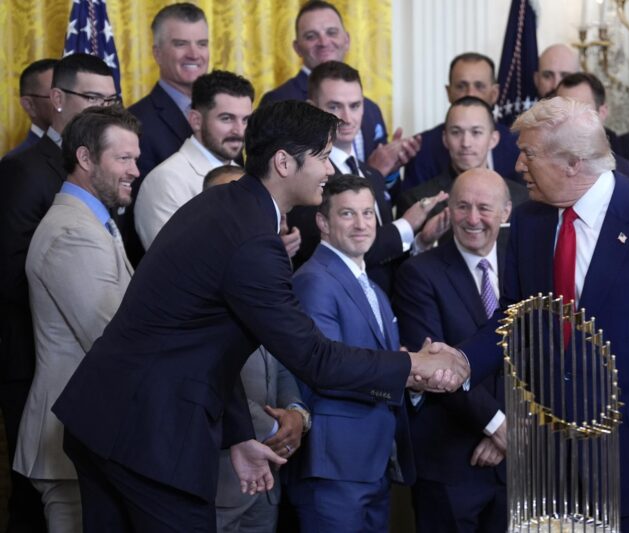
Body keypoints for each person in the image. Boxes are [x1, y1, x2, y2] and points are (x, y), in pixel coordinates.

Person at [51, 100, 468, 532]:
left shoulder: (226, 206)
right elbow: (314, 358)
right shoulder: (253, 238)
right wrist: (413, 365)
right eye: (323, 157)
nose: (329, 170)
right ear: (285, 163)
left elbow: (208, 337)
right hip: (149, 435)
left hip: (105, 419)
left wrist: (238, 435)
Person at [460, 97, 629, 532]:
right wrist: (460, 362)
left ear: (571, 162)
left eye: (528, 154)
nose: (518, 167)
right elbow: (512, 319)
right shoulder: (530, 222)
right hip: (553, 462)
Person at [0, 53, 117, 533]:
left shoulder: (102, 162)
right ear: (57, 100)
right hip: (35, 359)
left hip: (84, 363)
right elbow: (10, 276)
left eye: (111, 99)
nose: (104, 108)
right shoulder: (25, 170)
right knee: (39, 501)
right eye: (93, 98)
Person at [14, 105, 139, 533]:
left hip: (87, 437)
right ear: (85, 158)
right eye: (123, 158)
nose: (135, 170)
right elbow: (111, 340)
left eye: (135, 159)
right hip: (70, 441)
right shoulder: (73, 231)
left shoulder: (93, 221)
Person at [288, 175, 415, 532]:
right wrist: (409, 367)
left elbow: (376, 360)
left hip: (373, 461)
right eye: (347, 214)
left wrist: (415, 370)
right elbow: (326, 369)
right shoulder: (314, 280)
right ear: (323, 223)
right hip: (334, 465)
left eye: (367, 213)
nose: (361, 225)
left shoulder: (372, 285)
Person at [394, 168, 511, 532]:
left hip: (518, 464)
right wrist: (497, 424)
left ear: (506, 212)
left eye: (484, 208)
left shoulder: (526, 267)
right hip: (451, 463)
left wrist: (512, 434)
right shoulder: (419, 274)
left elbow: (541, 355)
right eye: (462, 206)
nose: (472, 219)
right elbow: (435, 368)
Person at [205, 168, 310, 533]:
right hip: (217, 475)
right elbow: (208, 375)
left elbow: (281, 358)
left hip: (266, 476)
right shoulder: (197, 284)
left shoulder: (269, 274)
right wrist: (272, 426)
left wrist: (296, 414)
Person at [301, 60, 447, 292]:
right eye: (334, 107)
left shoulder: (371, 173)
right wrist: (407, 224)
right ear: (311, 108)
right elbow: (343, 250)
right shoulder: (308, 177)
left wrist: (422, 241)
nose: (347, 118)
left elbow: (386, 261)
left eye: (355, 105)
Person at [260, 0, 417, 174]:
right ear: (297, 48)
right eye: (311, 36)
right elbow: (273, 177)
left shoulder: (371, 109)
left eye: (332, 32)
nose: (324, 42)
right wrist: (371, 173)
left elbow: (386, 190)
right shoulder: (278, 103)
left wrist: (389, 170)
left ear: (347, 40)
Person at [134, 70, 254, 249]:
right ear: (195, 120)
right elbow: (175, 262)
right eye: (227, 118)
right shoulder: (166, 180)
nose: (239, 130)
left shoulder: (248, 177)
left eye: (245, 120)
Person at [402, 52, 521, 191]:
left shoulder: (518, 144)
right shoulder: (422, 148)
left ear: (494, 93)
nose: (470, 93)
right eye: (461, 86)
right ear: (448, 92)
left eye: (479, 86)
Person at [398, 96, 528, 218]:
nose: (466, 143)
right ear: (445, 139)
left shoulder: (521, 199)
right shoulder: (416, 201)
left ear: (493, 139)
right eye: (456, 132)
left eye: (476, 132)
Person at [128, 3, 209, 178]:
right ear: (157, 53)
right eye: (181, 44)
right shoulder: (135, 122)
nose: (194, 54)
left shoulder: (225, 115)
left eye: (202, 44)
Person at [554, 72, 629, 180]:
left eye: (580, 110)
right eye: (562, 110)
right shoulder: (537, 172)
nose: (569, 119)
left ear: (602, 113)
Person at [4, 58, 57, 159]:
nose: (66, 103)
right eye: (55, 96)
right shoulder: (16, 163)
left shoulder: (88, 153)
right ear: (29, 105)